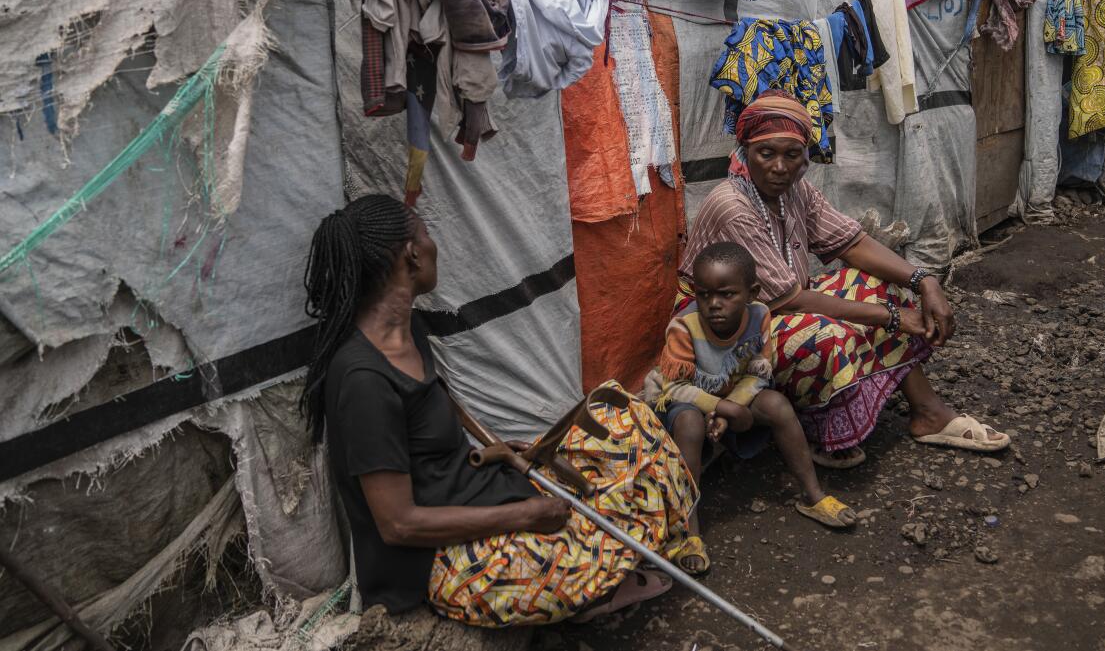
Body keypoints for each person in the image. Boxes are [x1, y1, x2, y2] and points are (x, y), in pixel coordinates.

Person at [300, 194, 696, 626]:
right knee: (570, 541)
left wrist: (501, 449)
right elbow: (399, 525)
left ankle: (611, 566)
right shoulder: (364, 381)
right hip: (435, 559)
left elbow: (430, 435)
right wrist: (524, 514)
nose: (434, 245)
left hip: (479, 491)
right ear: (412, 255)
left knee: (627, 420)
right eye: (427, 235)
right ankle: (597, 587)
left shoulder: (408, 329)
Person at [678, 90, 1009, 468]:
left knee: (879, 286)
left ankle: (928, 412)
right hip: (721, 337)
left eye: (791, 154)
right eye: (766, 153)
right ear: (745, 151)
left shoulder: (795, 192)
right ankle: (825, 431)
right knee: (830, 336)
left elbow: (852, 244)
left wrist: (924, 281)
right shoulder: (732, 206)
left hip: (773, 313)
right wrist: (894, 317)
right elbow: (789, 300)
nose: (779, 167)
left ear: (806, 156)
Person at [644, 241, 856, 575]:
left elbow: (760, 371)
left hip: (734, 396)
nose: (714, 304)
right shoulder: (684, 327)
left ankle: (813, 496)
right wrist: (721, 408)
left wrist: (734, 409)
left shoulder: (760, 315)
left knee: (777, 404)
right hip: (688, 402)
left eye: (727, 294)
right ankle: (687, 531)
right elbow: (675, 387)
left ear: (753, 292)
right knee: (690, 425)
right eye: (704, 295)